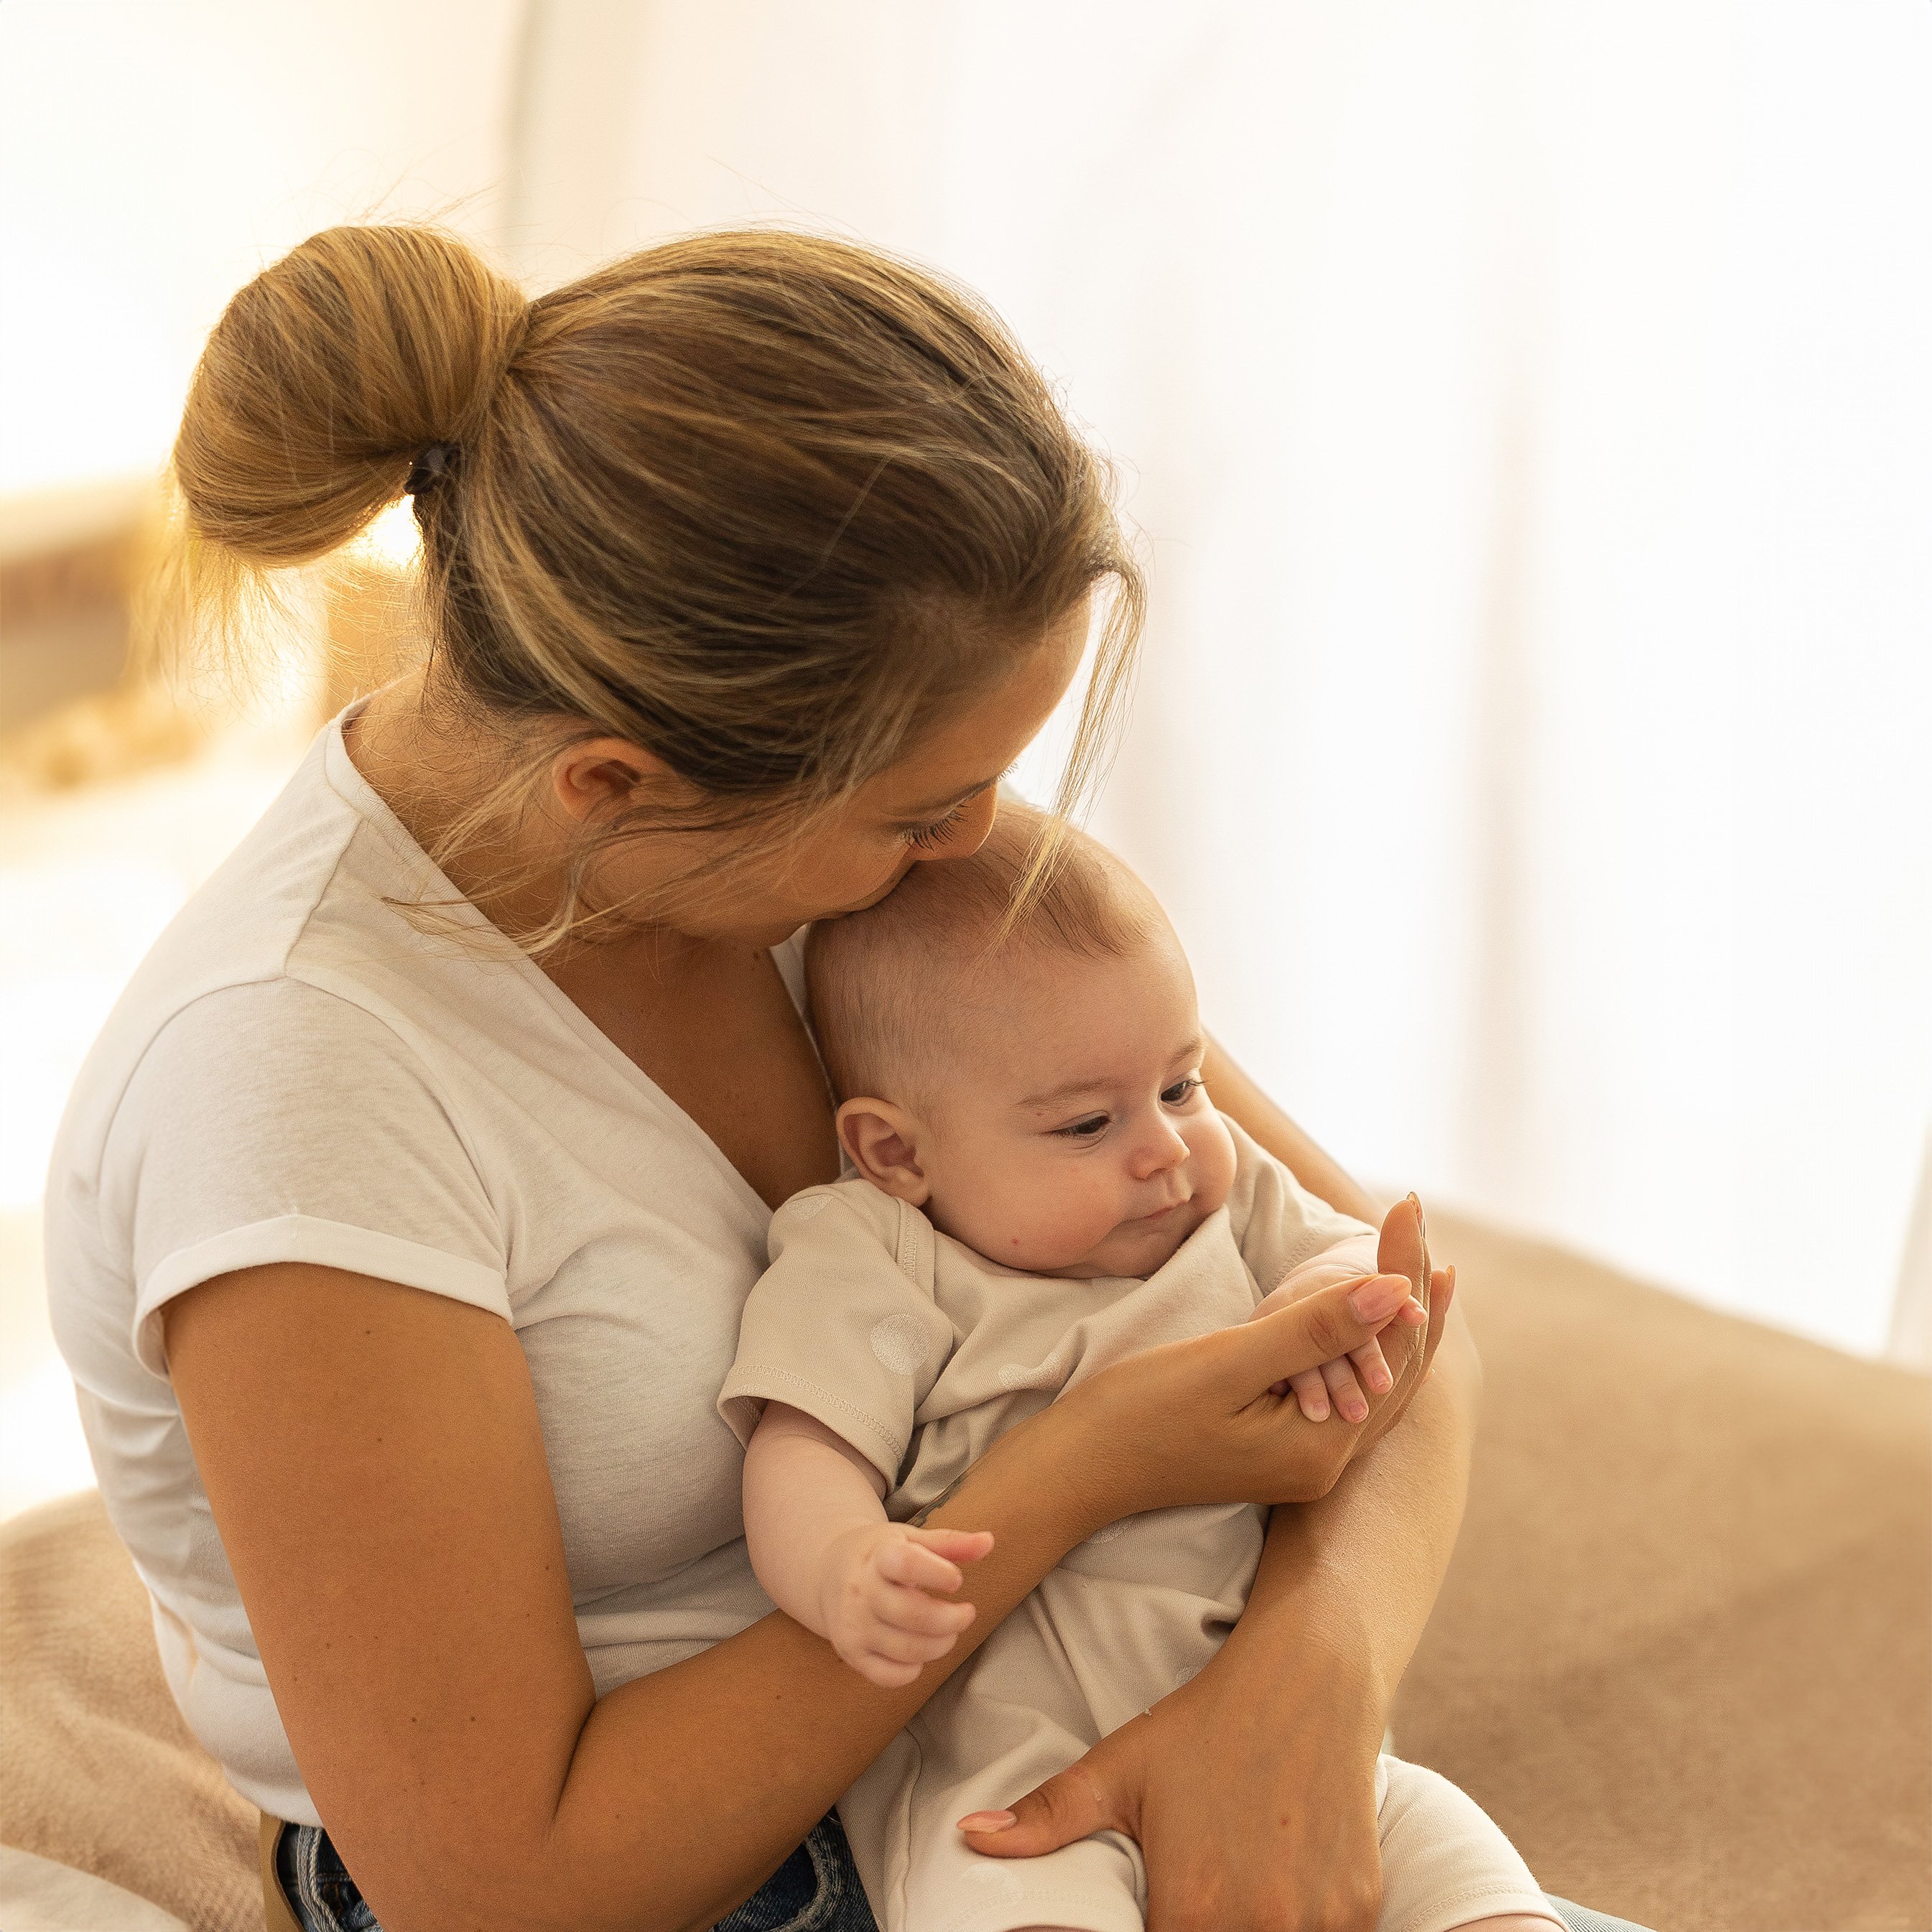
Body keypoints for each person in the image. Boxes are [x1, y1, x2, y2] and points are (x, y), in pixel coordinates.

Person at [45, 222, 1648, 1931]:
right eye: (921, 809)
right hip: (691, 1866)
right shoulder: (296, 1089)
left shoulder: (858, 879)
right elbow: (502, 1884)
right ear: (613, 783)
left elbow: (1397, 1306)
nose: (982, 847)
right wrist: (1076, 1473)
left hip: (1039, 1704)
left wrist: (1295, 1692)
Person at [723, 809, 1565, 1932]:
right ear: (898, 1153)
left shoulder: (1223, 1201)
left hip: (1272, 1746)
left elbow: (1361, 1255)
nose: (1164, 1145)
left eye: (1180, 1084)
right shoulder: (871, 1251)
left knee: (1468, 1881)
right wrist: (841, 1563)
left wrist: (1333, 1300)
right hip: (1008, 1782)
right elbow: (803, 1441)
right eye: (1086, 1122)